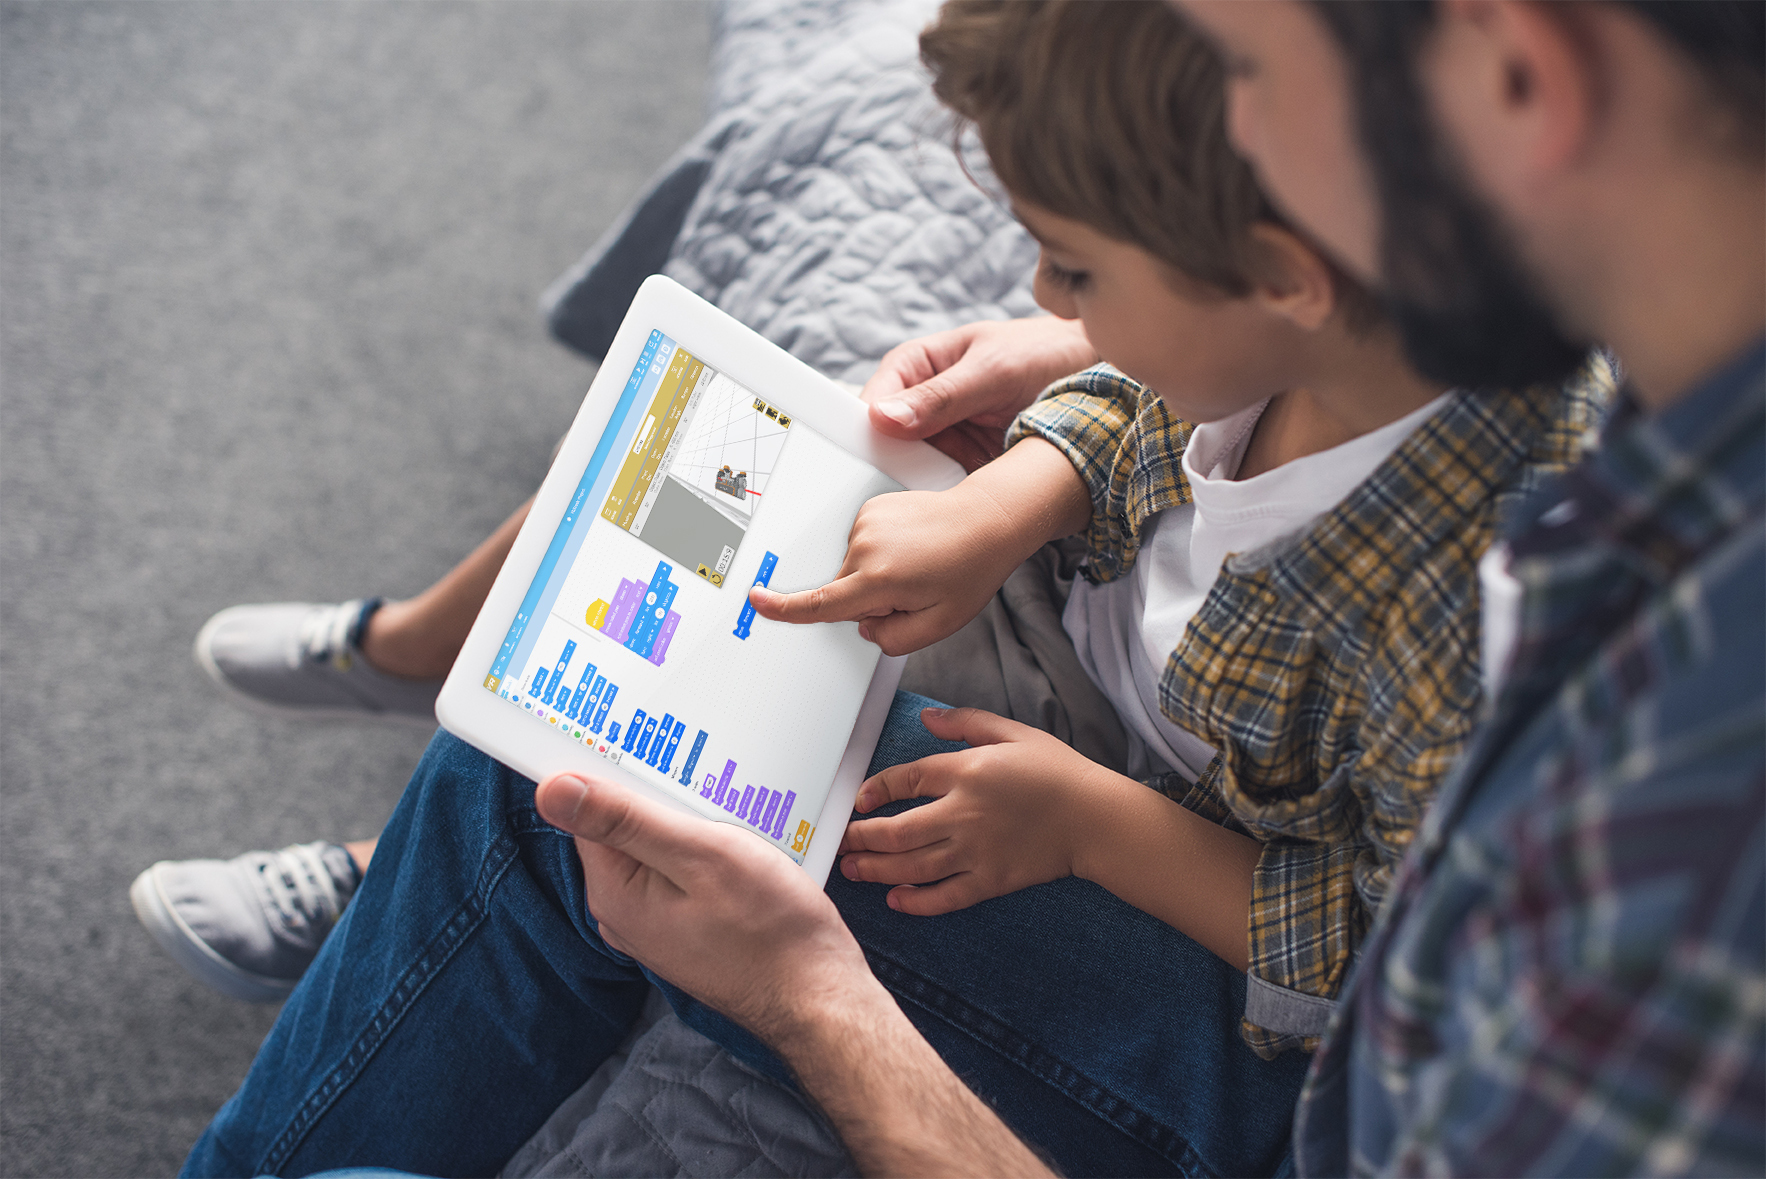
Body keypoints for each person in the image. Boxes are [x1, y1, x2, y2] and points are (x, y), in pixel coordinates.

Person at [179, 3, 1618, 1176]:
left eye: (1072, 266)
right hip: (1097, 679)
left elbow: (1406, 969)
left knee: (582, 787)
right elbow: (1156, 406)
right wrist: (1017, 491)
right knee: (720, 480)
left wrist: (1092, 831)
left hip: (1242, 1018)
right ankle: (431, 798)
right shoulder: (1371, 321)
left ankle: (416, 912)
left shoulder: (1496, 613)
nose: (1046, 309)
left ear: (1285, 275)